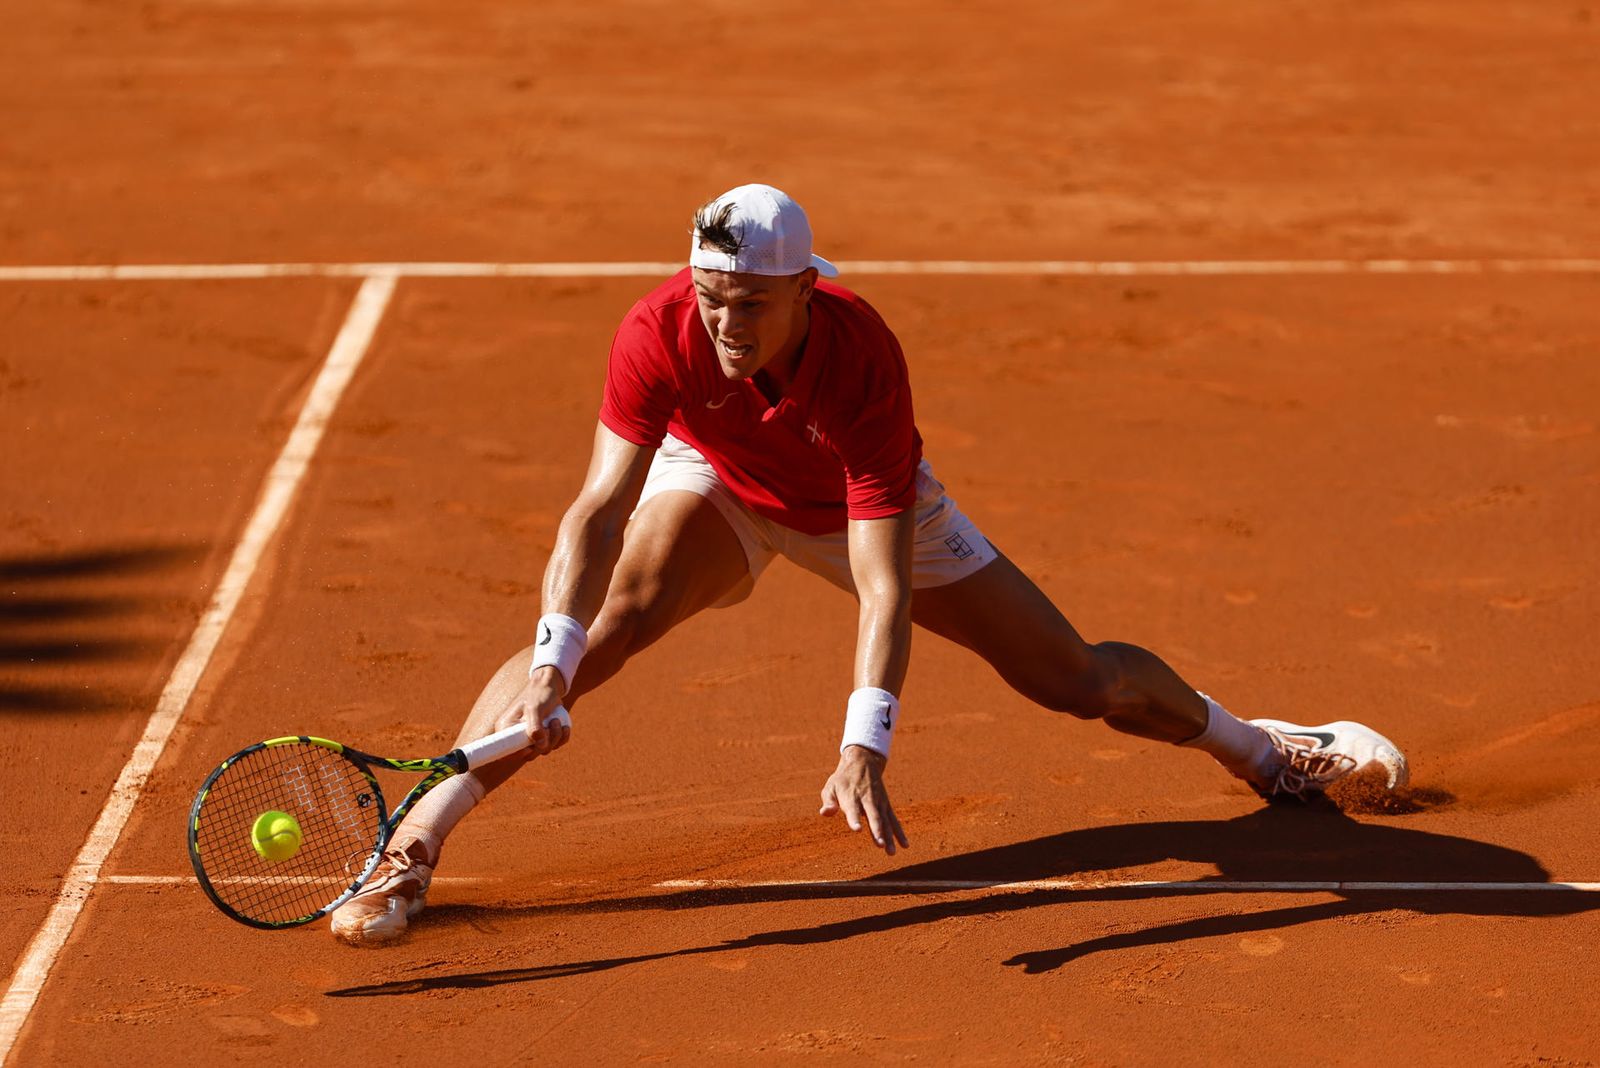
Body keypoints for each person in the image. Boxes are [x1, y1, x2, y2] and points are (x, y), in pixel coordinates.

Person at [329, 184, 1408, 945]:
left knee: (1076, 679)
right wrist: (555, 662)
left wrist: (864, 742)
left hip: (852, 506)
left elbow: (880, 579)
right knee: (603, 623)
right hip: (719, 479)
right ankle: (414, 841)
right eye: (709, 297)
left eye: (750, 303)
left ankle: (1265, 753)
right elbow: (596, 511)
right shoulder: (658, 329)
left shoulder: (860, 360)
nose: (723, 323)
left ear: (807, 289)